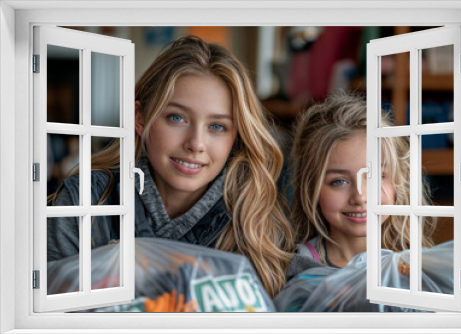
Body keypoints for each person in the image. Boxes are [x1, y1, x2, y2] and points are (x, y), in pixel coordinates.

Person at [47, 36, 294, 297]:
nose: (196, 143)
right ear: (140, 118)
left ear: (236, 136)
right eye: (177, 118)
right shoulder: (82, 203)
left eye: (217, 126)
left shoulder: (258, 223)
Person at [291, 91, 436, 267]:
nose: (360, 197)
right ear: (310, 187)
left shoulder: (419, 267)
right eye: (339, 181)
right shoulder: (297, 269)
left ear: (399, 179)